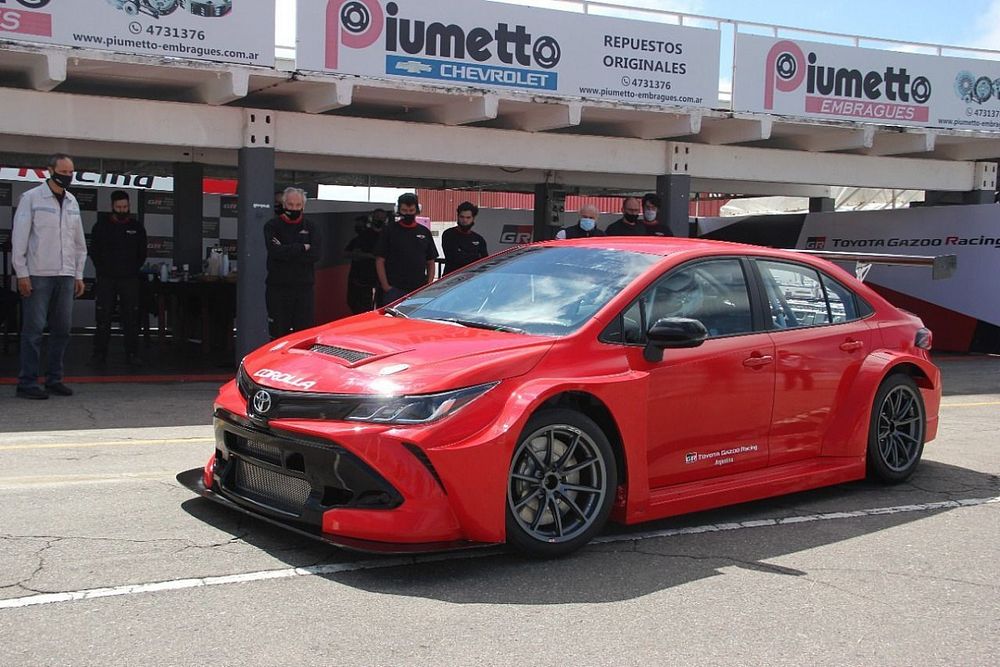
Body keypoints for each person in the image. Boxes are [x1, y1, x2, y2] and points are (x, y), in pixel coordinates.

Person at [12, 154, 88, 400]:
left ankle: (54, 378)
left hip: (66, 276)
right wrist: (22, 273)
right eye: (63, 171)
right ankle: (27, 382)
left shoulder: (73, 201)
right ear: (50, 171)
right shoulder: (31, 198)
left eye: (70, 172)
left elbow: (79, 243)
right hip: (38, 275)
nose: (67, 176)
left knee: (62, 330)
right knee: (33, 331)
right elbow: (20, 239)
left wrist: (78, 274)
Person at [90, 190, 147, 366]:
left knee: (131, 317)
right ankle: (99, 355)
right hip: (107, 279)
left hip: (129, 279)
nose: (122, 210)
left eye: (125, 207)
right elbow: (94, 252)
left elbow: (142, 254)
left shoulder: (137, 227)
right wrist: (104, 269)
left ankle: (132, 354)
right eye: (119, 207)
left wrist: (130, 269)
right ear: (112, 207)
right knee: (103, 317)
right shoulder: (101, 226)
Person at [264, 187, 322, 339]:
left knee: (303, 336)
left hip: (304, 290)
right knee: (278, 335)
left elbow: (315, 255)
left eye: (297, 205)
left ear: (303, 206)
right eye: (290, 205)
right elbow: (275, 252)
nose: (294, 208)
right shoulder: (272, 226)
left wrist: (287, 250)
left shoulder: (312, 227)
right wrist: (302, 247)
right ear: (284, 205)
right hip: (278, 289)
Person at [375, 193, 438, 305]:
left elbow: (431, 261)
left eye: (411, 210)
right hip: (394, 289)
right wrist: (386, 287)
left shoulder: (424, 232)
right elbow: (380, 260)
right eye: (404, 210)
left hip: (418, 290)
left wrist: (428, 285)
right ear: (398, 210)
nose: (408, 213)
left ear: (417, 210)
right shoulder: (389, 231)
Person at [344, 208, 387, 314]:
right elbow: (347, 253)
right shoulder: (363, 236)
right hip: (361, 281)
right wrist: (368, 256)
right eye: (377, 218)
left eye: (382, 218)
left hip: (381, 282)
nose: (379, 220)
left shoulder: (388, 236)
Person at [441, 201, 488, 275]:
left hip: (472, 279)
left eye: (468, 217)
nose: (465, 220)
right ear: (458, 216)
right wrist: (474, 257)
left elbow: (484, 262)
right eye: (462, 217)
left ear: (473, 218)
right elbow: (454, 258)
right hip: (452, 279)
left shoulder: (479, 239)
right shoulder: (449, 234)